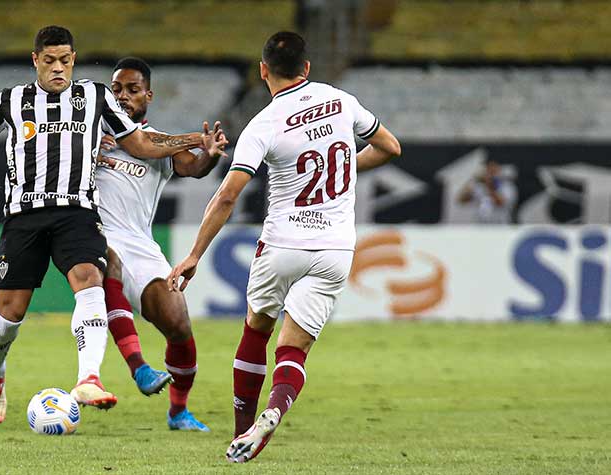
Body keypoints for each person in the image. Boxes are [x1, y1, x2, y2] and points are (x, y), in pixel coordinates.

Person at [0, 26, 209, 424]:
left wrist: (193, 139)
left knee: (91, 280)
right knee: (9, 316)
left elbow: (141, 144)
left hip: (77, 211)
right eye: (50, 61)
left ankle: (88, 378)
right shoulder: (11, 100)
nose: (59, 68)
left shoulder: (95, 97)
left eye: (66, 60)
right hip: (24, 216)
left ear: (74, 59)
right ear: (35, 60)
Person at [167, 31, 401, 462]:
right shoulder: (341, 100)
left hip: (282, 243)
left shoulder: (264, 123)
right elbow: (390, 147)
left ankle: (241, 432)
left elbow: (227, 195)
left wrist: (195, 254)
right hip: (334, 249)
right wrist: (346, 167)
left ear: (262, 71)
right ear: (306, 68)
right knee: (294, 349)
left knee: (257, 327)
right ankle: (273, 411)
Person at [96, 57, 228, 431]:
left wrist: (209, 157)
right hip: (94, 234)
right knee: (107, 261)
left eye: (133, 90)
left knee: (178, 324)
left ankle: (178, 411)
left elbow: (192, 167)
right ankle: (138, 367)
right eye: (117, 89)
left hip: (139, 242)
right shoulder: (89, 133)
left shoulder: (159, 142)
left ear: (148, 96)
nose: (123, 97)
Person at [457, 159, 517, 224]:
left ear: (499, 170)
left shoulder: (507, 186)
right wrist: (473, 180)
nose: (491, 174)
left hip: (500, 227)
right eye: (489, 171)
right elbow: (461, 200)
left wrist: (488, 186)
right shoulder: (479, 186)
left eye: (493, 171)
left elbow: (500, 203)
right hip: (481, 226)